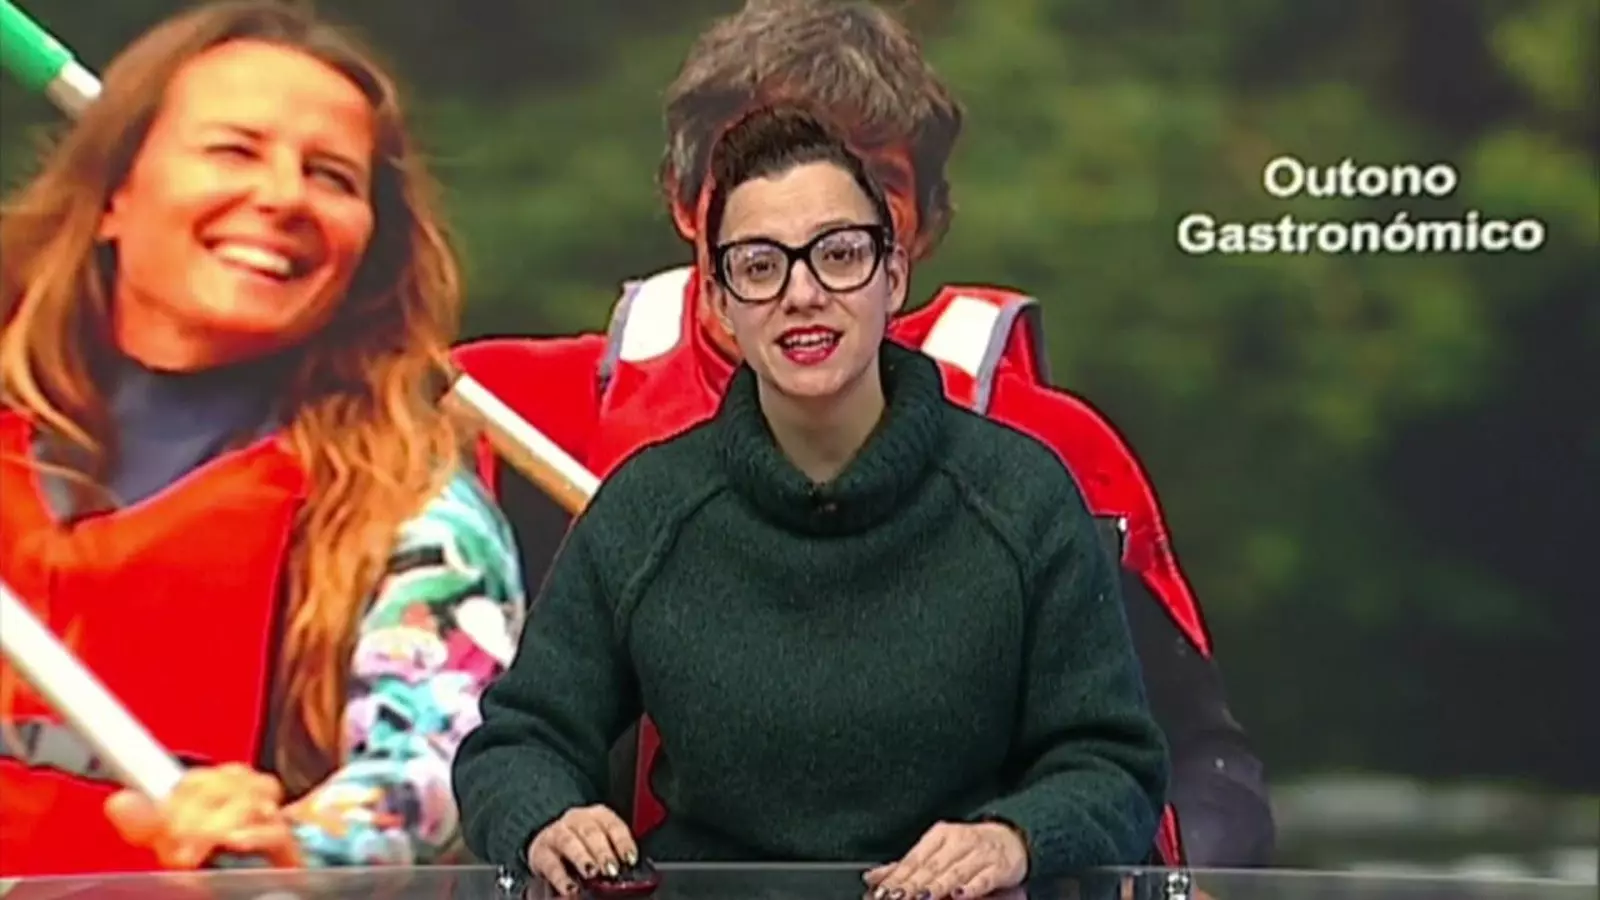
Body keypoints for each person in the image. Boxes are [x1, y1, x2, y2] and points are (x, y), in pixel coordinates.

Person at [452, 0, 1273, 867]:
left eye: (868, 184)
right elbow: (511, 748)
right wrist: (543, 820)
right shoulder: (501, 414)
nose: (813, 229)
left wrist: (1030, 843)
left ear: (907, 241)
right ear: (689, 206)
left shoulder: (1052, 462)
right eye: (767, 165)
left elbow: (1186, 767)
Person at [0, 0, 523, 877]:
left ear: (367, 246)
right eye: (234, 151)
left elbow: (436, 764)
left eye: (332, 176)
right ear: (113, 197)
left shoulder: (413, 509)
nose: (282, 197)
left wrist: (296, 846)